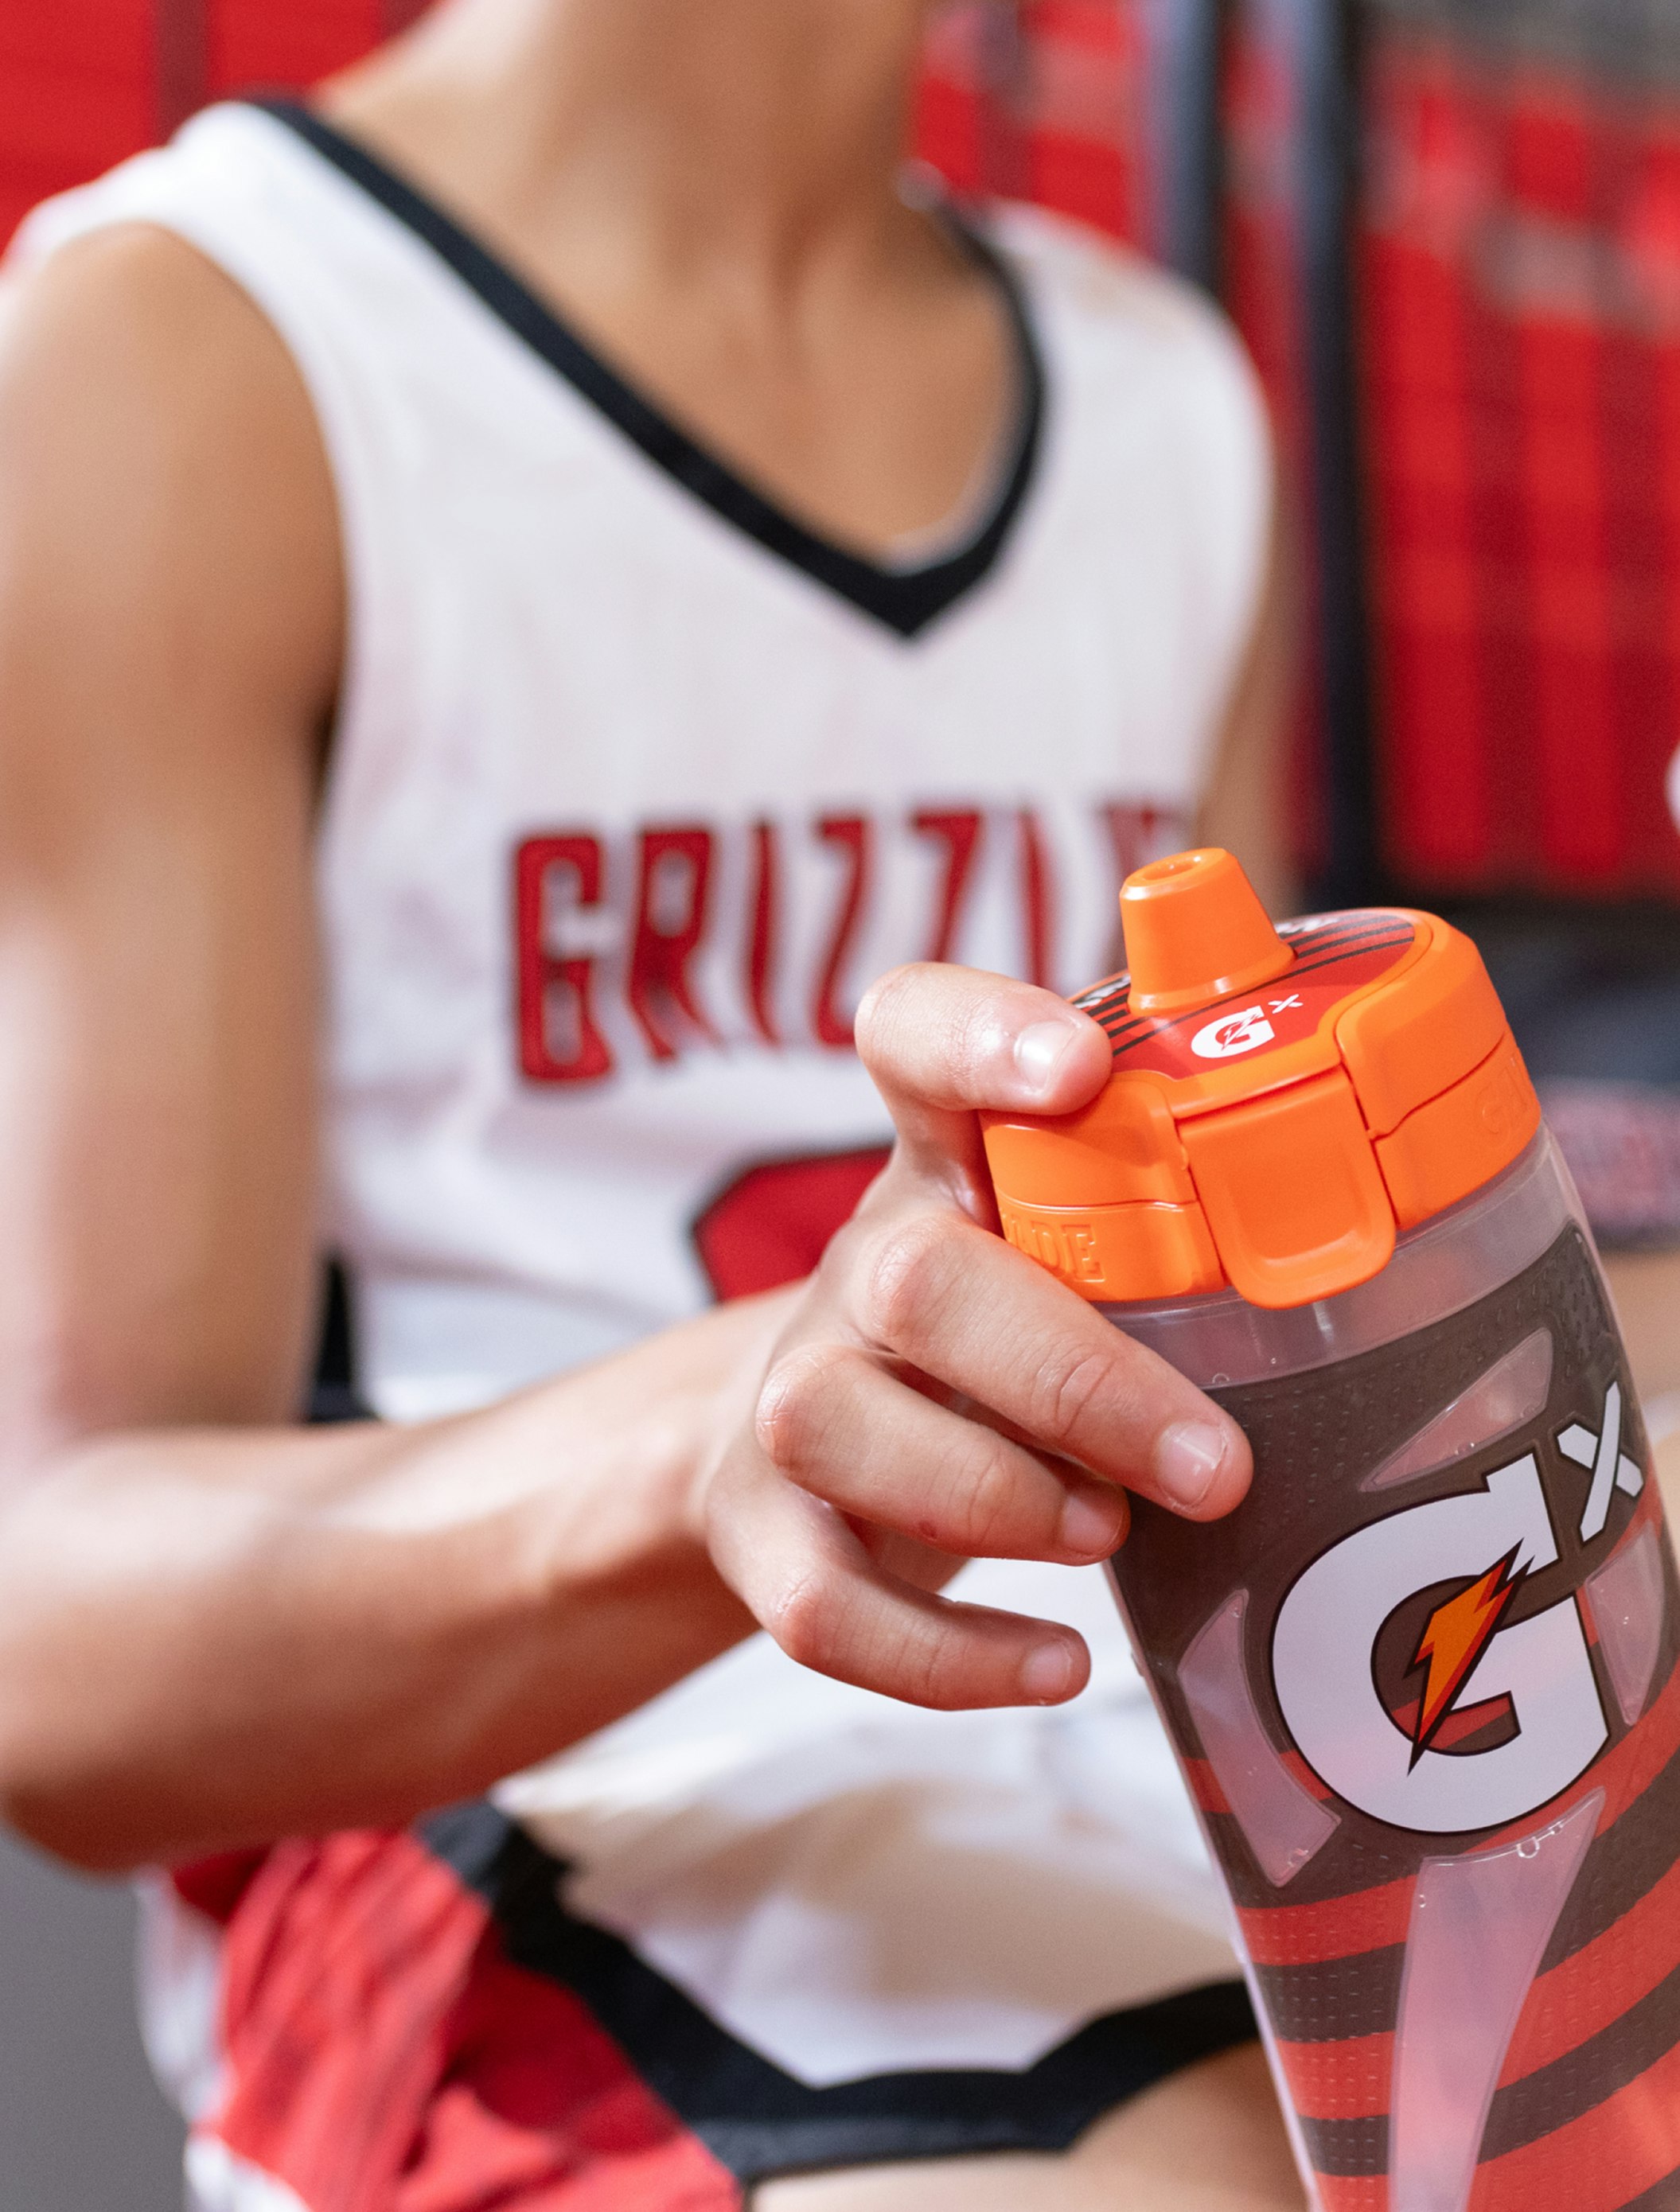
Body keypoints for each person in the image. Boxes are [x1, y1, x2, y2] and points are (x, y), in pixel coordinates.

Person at [0, 0, 1296, 2204]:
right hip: (512, 1830)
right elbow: (54, 1647)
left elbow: (1246, 1309)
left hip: (1158, 1719)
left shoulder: (1170, 400)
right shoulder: (196, 349)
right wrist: (709, 1442)